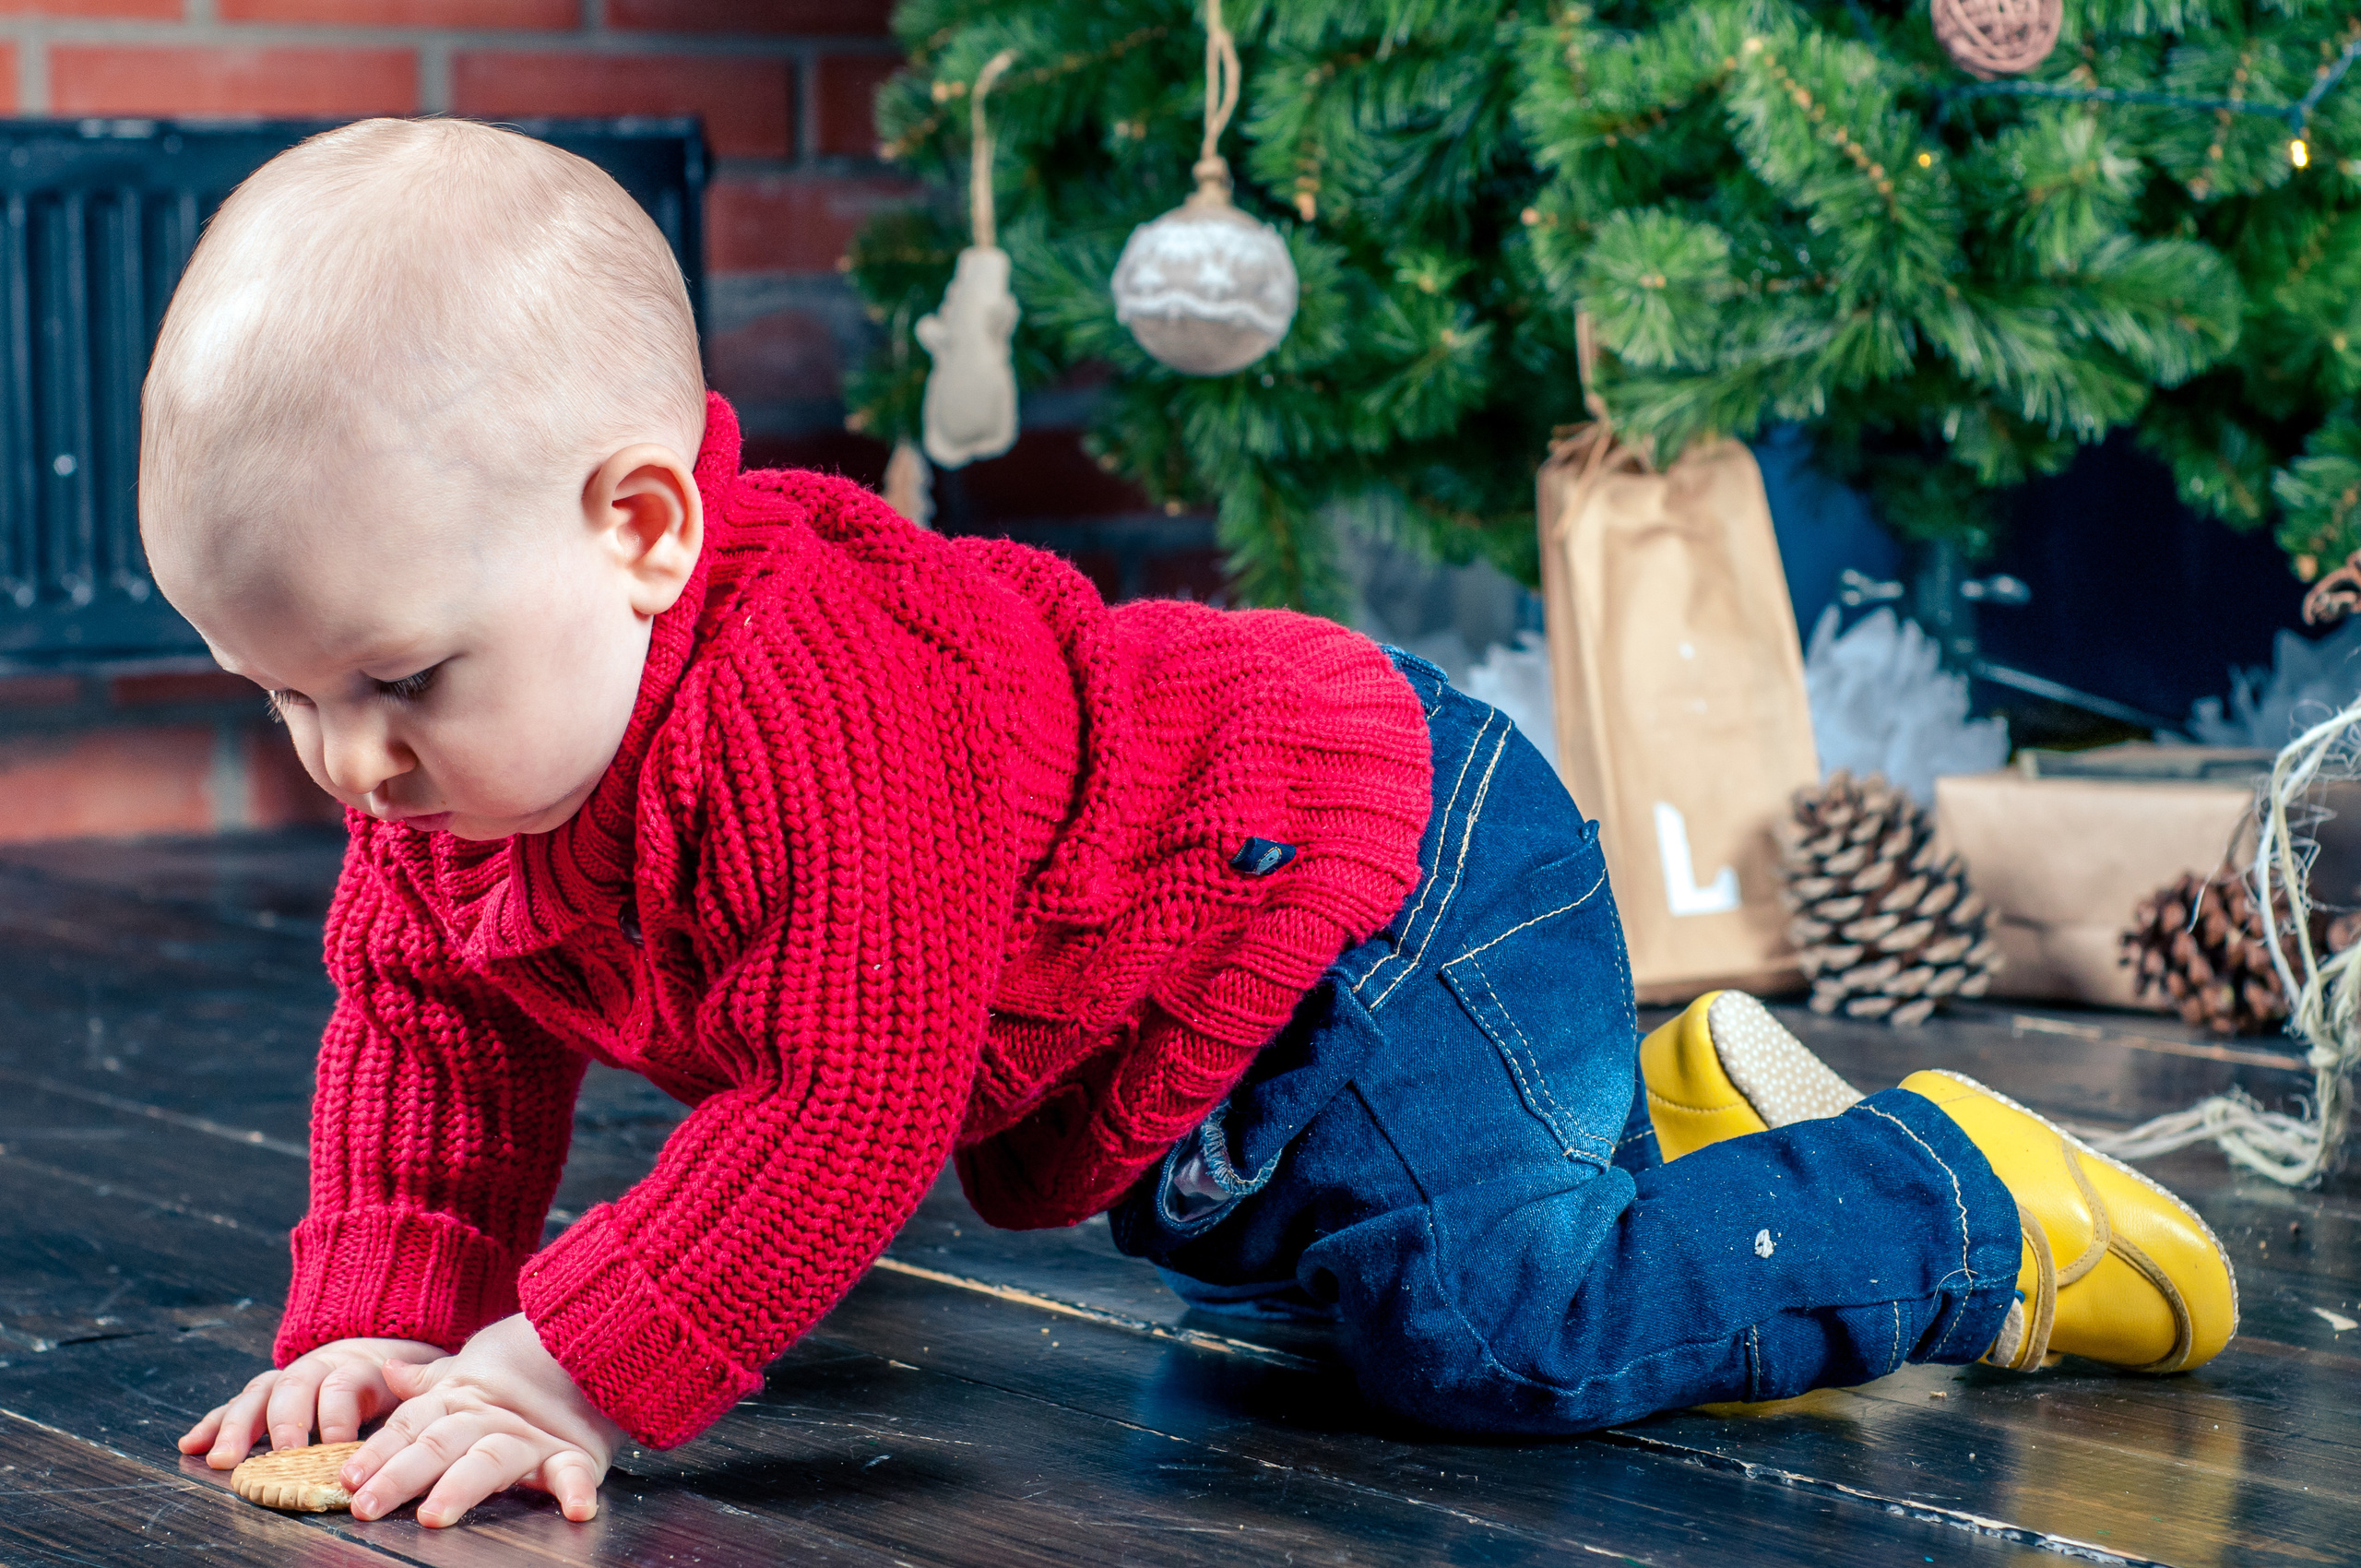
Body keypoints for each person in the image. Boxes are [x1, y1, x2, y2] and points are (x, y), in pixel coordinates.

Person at [145, 119, 2235, 1531]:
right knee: (1286, 1334)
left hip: (1382, 896)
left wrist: (570, 1367)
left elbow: (849, 1097)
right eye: (284, 696)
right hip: (1200, 1043)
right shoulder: (447, 782)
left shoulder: (817, 701)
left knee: (1487, 1340)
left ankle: (1960, 1200)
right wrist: (385, 1314)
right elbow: (424, 1031)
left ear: (642, 529)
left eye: (397, 679)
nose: (348, 764)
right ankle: (1647, 1127)